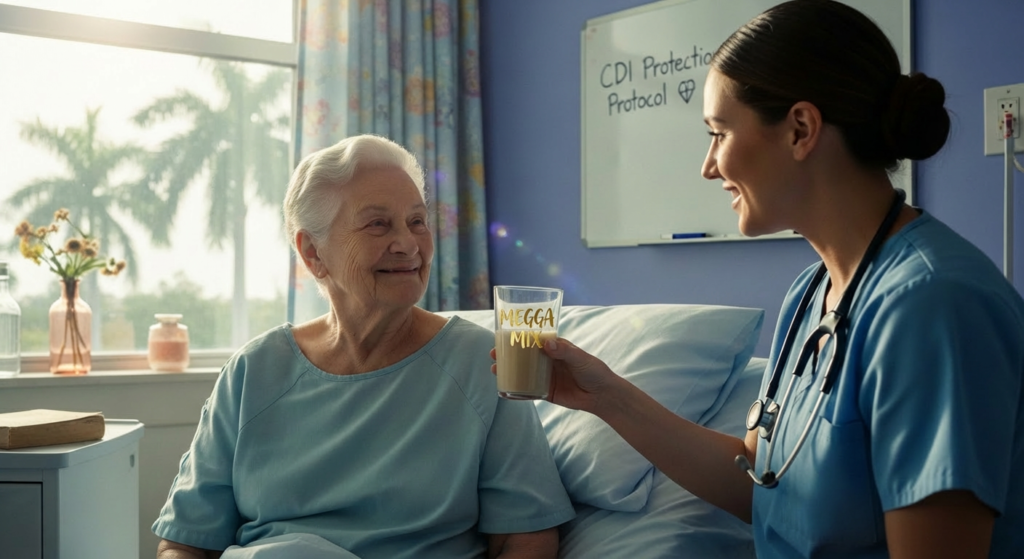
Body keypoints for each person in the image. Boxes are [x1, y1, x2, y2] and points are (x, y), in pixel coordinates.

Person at [506, 1, 1024, 558]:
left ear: (800, 128)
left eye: (719, 132)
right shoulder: (811, 294)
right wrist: (605, 396)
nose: (709, 166)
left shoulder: (932, 306)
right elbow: (761, 485)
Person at [153, 134, 575, 559]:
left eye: (416, 221)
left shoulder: (484, 363)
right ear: (312, 251)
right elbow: (184, 543)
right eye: (378, 224)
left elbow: (526, 538)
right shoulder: (252, 371)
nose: (409, 244)